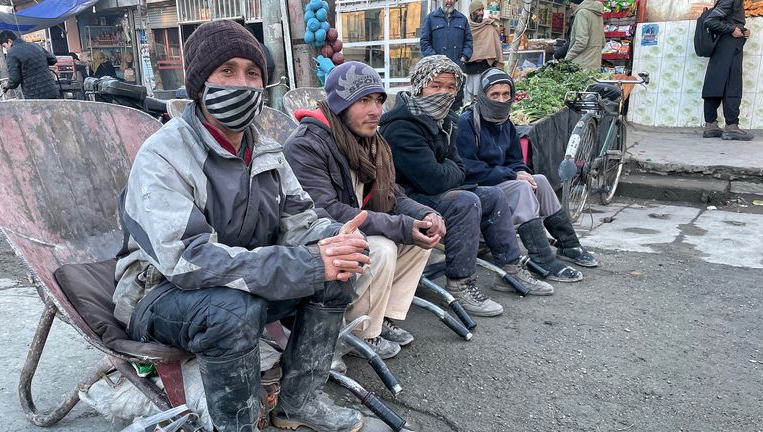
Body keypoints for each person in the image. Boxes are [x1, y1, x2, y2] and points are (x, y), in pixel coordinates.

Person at [113, 20, 366, 432]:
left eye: (253, 74)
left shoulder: (266, 148)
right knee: (233, 311)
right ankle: (238, 425)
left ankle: (298, 403)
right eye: (227, 71)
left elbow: (300, 222)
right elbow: (189, 260)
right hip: (159, 292)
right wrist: (306, 265)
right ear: (200, 84)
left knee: (336, 274)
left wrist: (334, 240)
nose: (243, 84)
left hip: (242, 279)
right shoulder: (164, 155)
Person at [284, 61, 440, 359]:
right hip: (316, 239)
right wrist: (401, 226)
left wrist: (424, 215)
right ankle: (360, 332)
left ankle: (382, 320)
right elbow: (326, 212)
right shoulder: (307, 144)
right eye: (363, 100)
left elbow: (392, 195)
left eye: (379, 100)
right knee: (381, 247)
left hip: (351, 229)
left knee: (420, 240)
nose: (376, 110)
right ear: (340, 104)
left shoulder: (370, 142)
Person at [380, 55, 555, 318]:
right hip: (407, 198)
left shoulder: (444, 120)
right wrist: (451, 171)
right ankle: (461, 283)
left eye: (450, 87)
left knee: (493, 195)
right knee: (465, 201)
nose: (444, 93)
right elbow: (432, 179)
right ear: (419, 87)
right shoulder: (401, 126)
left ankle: (510, 267)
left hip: (434, 192)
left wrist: (450, 171)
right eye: (435, 86)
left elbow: (458, 169)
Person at [456, 68, 596, 282]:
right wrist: (511, 175)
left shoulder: (506, 123)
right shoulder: (467, 122)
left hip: (500, 180)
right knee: (522, 188)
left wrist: (521, 171)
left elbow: (515, 160)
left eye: (506, 94)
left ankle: (569, 244)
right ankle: (541, 258)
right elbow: (466, 167)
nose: (501, 100)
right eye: (495, 95)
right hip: (477, 185)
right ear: (483, 96)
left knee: (539, 180)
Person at [702, 0, 754, 141]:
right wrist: (732, 29)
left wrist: (742, 31)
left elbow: (723, 21)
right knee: (732, 85)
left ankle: (710, 125)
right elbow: (710, 20)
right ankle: (732, 126)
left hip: (722, 47)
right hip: (729, 47)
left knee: (715, 82)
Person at [419, 0, 473, 111]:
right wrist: (436, 60)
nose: (449, 1)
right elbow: (424, 42)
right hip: (436, 73)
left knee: (456, 104)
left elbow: (469, 42)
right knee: (435, 105)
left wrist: (463, 58)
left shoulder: (462, 19)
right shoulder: (431, 18)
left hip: (457, 72)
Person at [463, 0, 504, 105]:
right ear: (472, 12)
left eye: (482, 10)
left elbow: (497, 48)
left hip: (485, 69)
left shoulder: (489, 27)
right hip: (468, 70)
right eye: (478, 10)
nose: (481, 13)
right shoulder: (465, 27)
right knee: (469, 100)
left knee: (484, 98)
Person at [0, 30, 59, 99]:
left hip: (34, 95)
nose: (6, 49)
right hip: (51, 90)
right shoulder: (35, 45)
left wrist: (7, 85)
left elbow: (14, 80)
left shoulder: (11, 53)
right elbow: (53, 59)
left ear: (9, 41)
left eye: (5, 46)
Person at [564, 0, 605, 71]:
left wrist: (567, 58)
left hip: (581, 65)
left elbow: (581, 42)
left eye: (571, 3)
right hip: (595, 64)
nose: (570, 6)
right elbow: (603, 42)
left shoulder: (582, 13)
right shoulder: (598, 14)